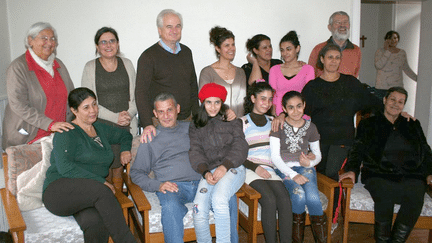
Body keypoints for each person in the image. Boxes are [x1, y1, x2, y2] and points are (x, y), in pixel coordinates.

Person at [131, 92, 240, 243]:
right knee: (170, 208)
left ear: (178, 108)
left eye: (169, 109)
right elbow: (136, 173)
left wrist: (227, 112)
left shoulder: (193, 127)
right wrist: (158, 185)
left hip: (204, 181)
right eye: (161, 112)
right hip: (174, 188)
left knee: (228, 198)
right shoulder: (149, 138)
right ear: (155, 114)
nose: (166, 116)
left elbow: (217, 126)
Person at [42, 88, 136, 243]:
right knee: (103, 191)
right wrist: (100, 181)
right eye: (86, 107)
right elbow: (65, 167)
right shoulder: (66, 132)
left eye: (94, 104)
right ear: (74, 110)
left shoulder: (99, 128)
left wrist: (125, 149)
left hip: (87, 195)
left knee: (94, 222)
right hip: (58, 192)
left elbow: (125, 134)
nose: (93, 110)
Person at [339, 87, 432, 242]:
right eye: (392, 100)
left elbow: (425, 151)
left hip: (410, 174)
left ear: (404, 105)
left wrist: (430, 172)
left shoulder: (412, 124)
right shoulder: (369, 124)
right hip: (378, 173)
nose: (396, 104)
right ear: (384, 100)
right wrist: (352, 169)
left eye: (400, 102)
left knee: (416, 193)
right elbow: (357, 149)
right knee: (385, 192)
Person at [302, 44, 382, 182]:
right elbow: (298, 111)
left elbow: (374, 103)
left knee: (330, 176)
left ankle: (335, 204)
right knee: (321, 177)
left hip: (342, 141)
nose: (334, 61)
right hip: (319, 142)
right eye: (330, 57)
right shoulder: (312, 87)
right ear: (322, 59)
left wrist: (399, 113)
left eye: (337, 58)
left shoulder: (351, 83)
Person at [189, 83, 248, 242]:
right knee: (198, 209)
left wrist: (225, 166)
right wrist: (205, 172)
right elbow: (195, 151)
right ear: (203, 103)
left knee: (219, 200)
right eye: (209, 102)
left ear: (222, 103)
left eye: (217, 102)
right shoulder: (195, 125)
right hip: (209, 171)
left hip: (233, 167)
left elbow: (241, 147)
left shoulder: (232, 121)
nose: (213, 107)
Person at [2, 22, 75, 150]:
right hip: (29, 138)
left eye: (53, 39)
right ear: (30, 40)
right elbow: (19, 105)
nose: (50, 42)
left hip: (58, 136)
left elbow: (71, 96)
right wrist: (50, 124)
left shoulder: (59, 65)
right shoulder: (18, 67)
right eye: (44, 38)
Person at [82, 27, 138, 190]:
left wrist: (128, 115)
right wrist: (115, 118)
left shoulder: (127, 64)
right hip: (101, 128)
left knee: (120, 173)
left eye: (112, 41)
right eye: (103, 42)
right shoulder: (90, 67)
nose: (108, 45)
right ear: (97, 46)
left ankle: (122, 211)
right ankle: (107, 208)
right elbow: (88, 102)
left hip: (126, 126)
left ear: (118, 44)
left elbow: (135, 96)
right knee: (104, 173)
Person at [270, 91, 326, 243]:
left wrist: (310, 163)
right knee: (299, 195)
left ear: (304, 106)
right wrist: (293, 175)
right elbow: (275, 157)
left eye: (299, 106)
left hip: (304, 167)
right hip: (284, 169)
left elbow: (317, 154)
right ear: (284, 108)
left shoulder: (311, 127)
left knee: (314, 198)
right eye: (291, 107)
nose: (296, 111)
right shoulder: (278, 126)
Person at [241, 82, 292, 243]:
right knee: (269, 199)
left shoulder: (273, 121)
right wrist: (255, 168)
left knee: (284, 199)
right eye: (262, 98)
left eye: (270, 99)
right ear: (253, 98)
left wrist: (283, 114)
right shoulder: (241, 123)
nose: (267, 103)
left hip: (269, 168)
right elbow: (236, 155)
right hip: (249, 168)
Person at [135, 9, 199, 129]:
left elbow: (193, 86)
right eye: (169, 27)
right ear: (160, 30)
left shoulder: (186, 52)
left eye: (178, 26)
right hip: (161, 122)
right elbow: (141, 93)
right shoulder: (148, 57)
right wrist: (147, 124)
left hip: (187, 120)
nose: (174, 31)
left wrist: (197, 117)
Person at [198, 26, 247, 118]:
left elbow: (242, 101)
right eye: (227, 45)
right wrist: (224, 112)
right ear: (218, 48)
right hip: (214, 124)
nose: (231, 48)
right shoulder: (207, 72)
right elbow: (204, 101)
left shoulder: (240, 72)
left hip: (237, 124)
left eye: (233, 44)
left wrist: (239, 121)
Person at [269, 31, 314, 116]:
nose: (285, 53)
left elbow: (310, 96)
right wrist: (274, 116)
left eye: (288, 49)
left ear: (297, 48)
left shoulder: (308, 69)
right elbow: (272, 95)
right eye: (282, 50)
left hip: (300, 116)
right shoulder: (274, 70)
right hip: (279, 117)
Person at [308, 11, 361, 78]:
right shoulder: (319, 49)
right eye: (338, 22)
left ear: (349, 26)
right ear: (329, 27)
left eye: (345, 22)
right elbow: (310, 75)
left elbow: (355, 75)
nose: (342, 25)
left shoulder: (356, 50)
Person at [374, 31, 417, 99]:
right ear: (386, 40)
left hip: (397, 88)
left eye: (395, 38)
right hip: (382, 88)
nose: (393, 40)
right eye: (390, 38)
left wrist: (417, 78)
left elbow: (406, 69)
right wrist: (388, 51)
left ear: (398, 39)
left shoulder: (402, 53)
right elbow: (378, 66)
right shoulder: (380, 51)